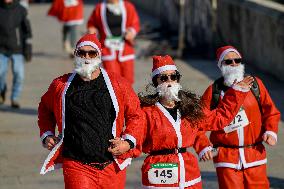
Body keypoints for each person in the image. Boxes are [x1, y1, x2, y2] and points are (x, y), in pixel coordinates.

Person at [110, 55, 255, 188]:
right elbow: (135, 138)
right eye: (163, 78)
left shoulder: (190, 109)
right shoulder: (146, 112)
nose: (169, 81)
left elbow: (219, 118)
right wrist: (122, 148)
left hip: (188, 173)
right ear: (156, 82)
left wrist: (236, 93)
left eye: (173, 77)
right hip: (158, 171)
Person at [37, 34, 143, 189]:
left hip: (112, 165)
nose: (86, 57)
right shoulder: (60, 85)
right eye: (82, 53)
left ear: (99, 56)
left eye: (92, 53)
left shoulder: (118, 84)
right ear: (75, 55)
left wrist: (128, 142)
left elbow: (136, 115)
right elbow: (45, 109)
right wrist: (46, 134)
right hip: (76, 164)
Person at [201, 46, 281, 189]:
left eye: (237, 60)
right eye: (228, 61)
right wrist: (203, 146)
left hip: (255, 154)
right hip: (226, 158)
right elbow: (198, 121)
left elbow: (271, 112)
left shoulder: (256, 85)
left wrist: (271, 131)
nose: (233, 64)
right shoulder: (214, 91)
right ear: (220, 65)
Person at [87, 0, 140, 85]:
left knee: (128, 79)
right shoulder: (100, 8)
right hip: (107, 48)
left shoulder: (128, 6)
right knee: (113, 79)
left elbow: (135, 23)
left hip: (125, 48)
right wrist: (92, 29)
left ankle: (126, 97)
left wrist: (131, 31)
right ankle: (116, 97)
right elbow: (92, 23)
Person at [0, 0, 32, 108]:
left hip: (17, 49)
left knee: (19, 74)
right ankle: (1, 90)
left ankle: (15, 98)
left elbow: (27, 31)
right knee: (0, 73)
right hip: (1, 49)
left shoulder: (21, 10)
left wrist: (28, 49)